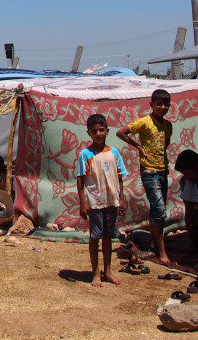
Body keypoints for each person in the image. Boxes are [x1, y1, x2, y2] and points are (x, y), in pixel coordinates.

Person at [118, 89, 175, 266]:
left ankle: (152, 245)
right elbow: (121, 132)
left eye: (166, 104)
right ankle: (161, 250)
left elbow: (164, 145)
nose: (163, 107)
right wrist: (138, 147)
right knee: (159, 210)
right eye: (159, 104)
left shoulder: (167, 125)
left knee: (157, 209)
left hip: (162, 170)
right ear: (151, 105)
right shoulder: (144, 122)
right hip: (149, 170)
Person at [77, 114, 128, 287]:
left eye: (101, 130)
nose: (98, 133)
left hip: (111, 200)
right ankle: (96, 272)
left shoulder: (114, 152)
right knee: (95, 236)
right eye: (94, 131)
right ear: (88, 133)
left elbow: (120, 176)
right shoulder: (85, 154)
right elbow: (81, 179)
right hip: (95, 201)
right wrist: (83, 203)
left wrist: (121, 198)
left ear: (107, 131)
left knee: (108, 236)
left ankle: (108, 271)